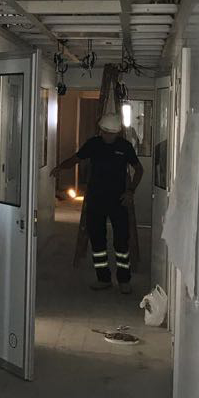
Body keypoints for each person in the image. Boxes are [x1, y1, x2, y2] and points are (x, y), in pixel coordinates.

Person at [51, 113, 144, 293]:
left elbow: (139, 169)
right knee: (97, 239)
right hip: (96, 199)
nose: (108, 136)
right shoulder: (94, 144)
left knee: (121, 241)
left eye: (112, 133)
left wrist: (130, 191)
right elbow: (76, 158)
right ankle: (103, 278)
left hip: (118, 200)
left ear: (118, 132)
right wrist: (61, 167)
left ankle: (124, 280)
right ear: (101, 130)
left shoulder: (124, 147)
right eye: (106, 132)